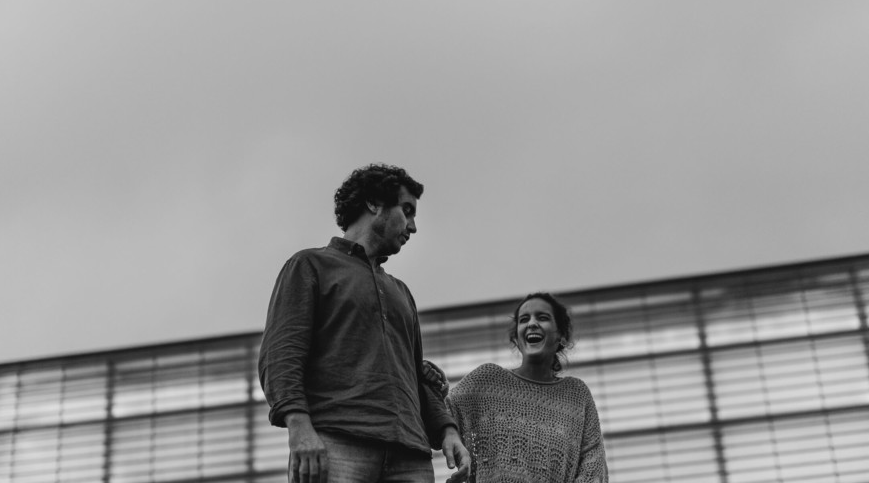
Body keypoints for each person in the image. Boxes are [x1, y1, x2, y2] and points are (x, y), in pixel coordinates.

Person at [258, 164, 470, 483]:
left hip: (410, 454)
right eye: (407, 211)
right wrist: (299, 428)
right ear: (373, 202)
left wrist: (448, 431)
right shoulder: (310, 265)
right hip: (336, 442)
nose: (413, 227)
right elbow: (281, 356)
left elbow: (414, 376)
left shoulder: (402, 293)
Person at [442, 292, 608, 483]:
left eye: (542, 317)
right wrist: (431, 377)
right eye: (524, 319)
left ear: (561, 335)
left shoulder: (576, 395)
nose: (532, 323)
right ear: (516, 339)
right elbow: (441, 411)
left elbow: (594, 470)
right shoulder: (487, 381)